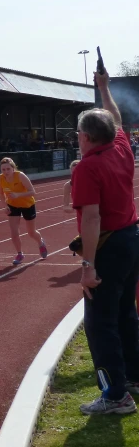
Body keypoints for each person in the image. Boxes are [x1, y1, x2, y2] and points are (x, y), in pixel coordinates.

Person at [73, 67, 139, 415]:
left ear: (86, 137)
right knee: (126, 313)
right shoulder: (121, 146)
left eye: (78, 133)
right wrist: (104, 87)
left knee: (100, 324)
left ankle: (115, 396)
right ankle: (132, 377)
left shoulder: (87, 167)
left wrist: (87, 265)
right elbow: (114, 118)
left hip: (110, 245)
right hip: (132, 238)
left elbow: (93, 218)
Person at [0, 157, 48, 265]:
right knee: (14, 233)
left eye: (8, 169)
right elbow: (1, 194)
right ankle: (19, 254)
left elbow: (32, 191)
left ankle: (40, 242)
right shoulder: (0, 179)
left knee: (31, 232)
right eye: (3, 170)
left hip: (27, 205)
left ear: (13, 168)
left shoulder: (20, 176)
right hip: (12, 205)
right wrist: (5, 206)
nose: (6, 172)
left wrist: (18, 195)